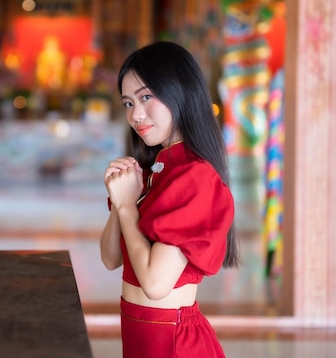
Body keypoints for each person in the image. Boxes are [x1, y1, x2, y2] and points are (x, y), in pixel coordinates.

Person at [100, 41, 240, 358]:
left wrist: (125, 206)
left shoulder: (195, 176)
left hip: (174, 343)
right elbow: (110, 259)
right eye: (127, 103)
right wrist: (119, 198)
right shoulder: (154, 171)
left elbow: (154, 283)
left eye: (146, 97)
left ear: (180, 92)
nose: (136, 114)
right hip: (141, 336)